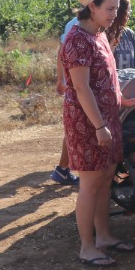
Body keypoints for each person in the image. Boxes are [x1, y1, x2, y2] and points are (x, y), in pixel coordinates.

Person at [60, 0, 135, 266]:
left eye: (115, 8)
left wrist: (123, 100)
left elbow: (107, 78)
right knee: (91, 183)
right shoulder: (77, 40)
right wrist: (99, 126)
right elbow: (82, 88)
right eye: (109, 9)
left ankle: (104, 236)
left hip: (107, 119)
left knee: (106, 178)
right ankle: (87, 247)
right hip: (88, 123)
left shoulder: (98, 34)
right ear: (92, 7)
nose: (114, 14)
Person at [52, 17, 81, 186]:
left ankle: (63, 169)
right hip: (79, 83)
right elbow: (62, 51)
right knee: (75, 126)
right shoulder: (77, 23)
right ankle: (63, 169)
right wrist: (61, 79)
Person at [107, 0, 135, 70]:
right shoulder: (104, 34)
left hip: (130, 80)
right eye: (128, 12)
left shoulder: (129, 34)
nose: (129, 16)